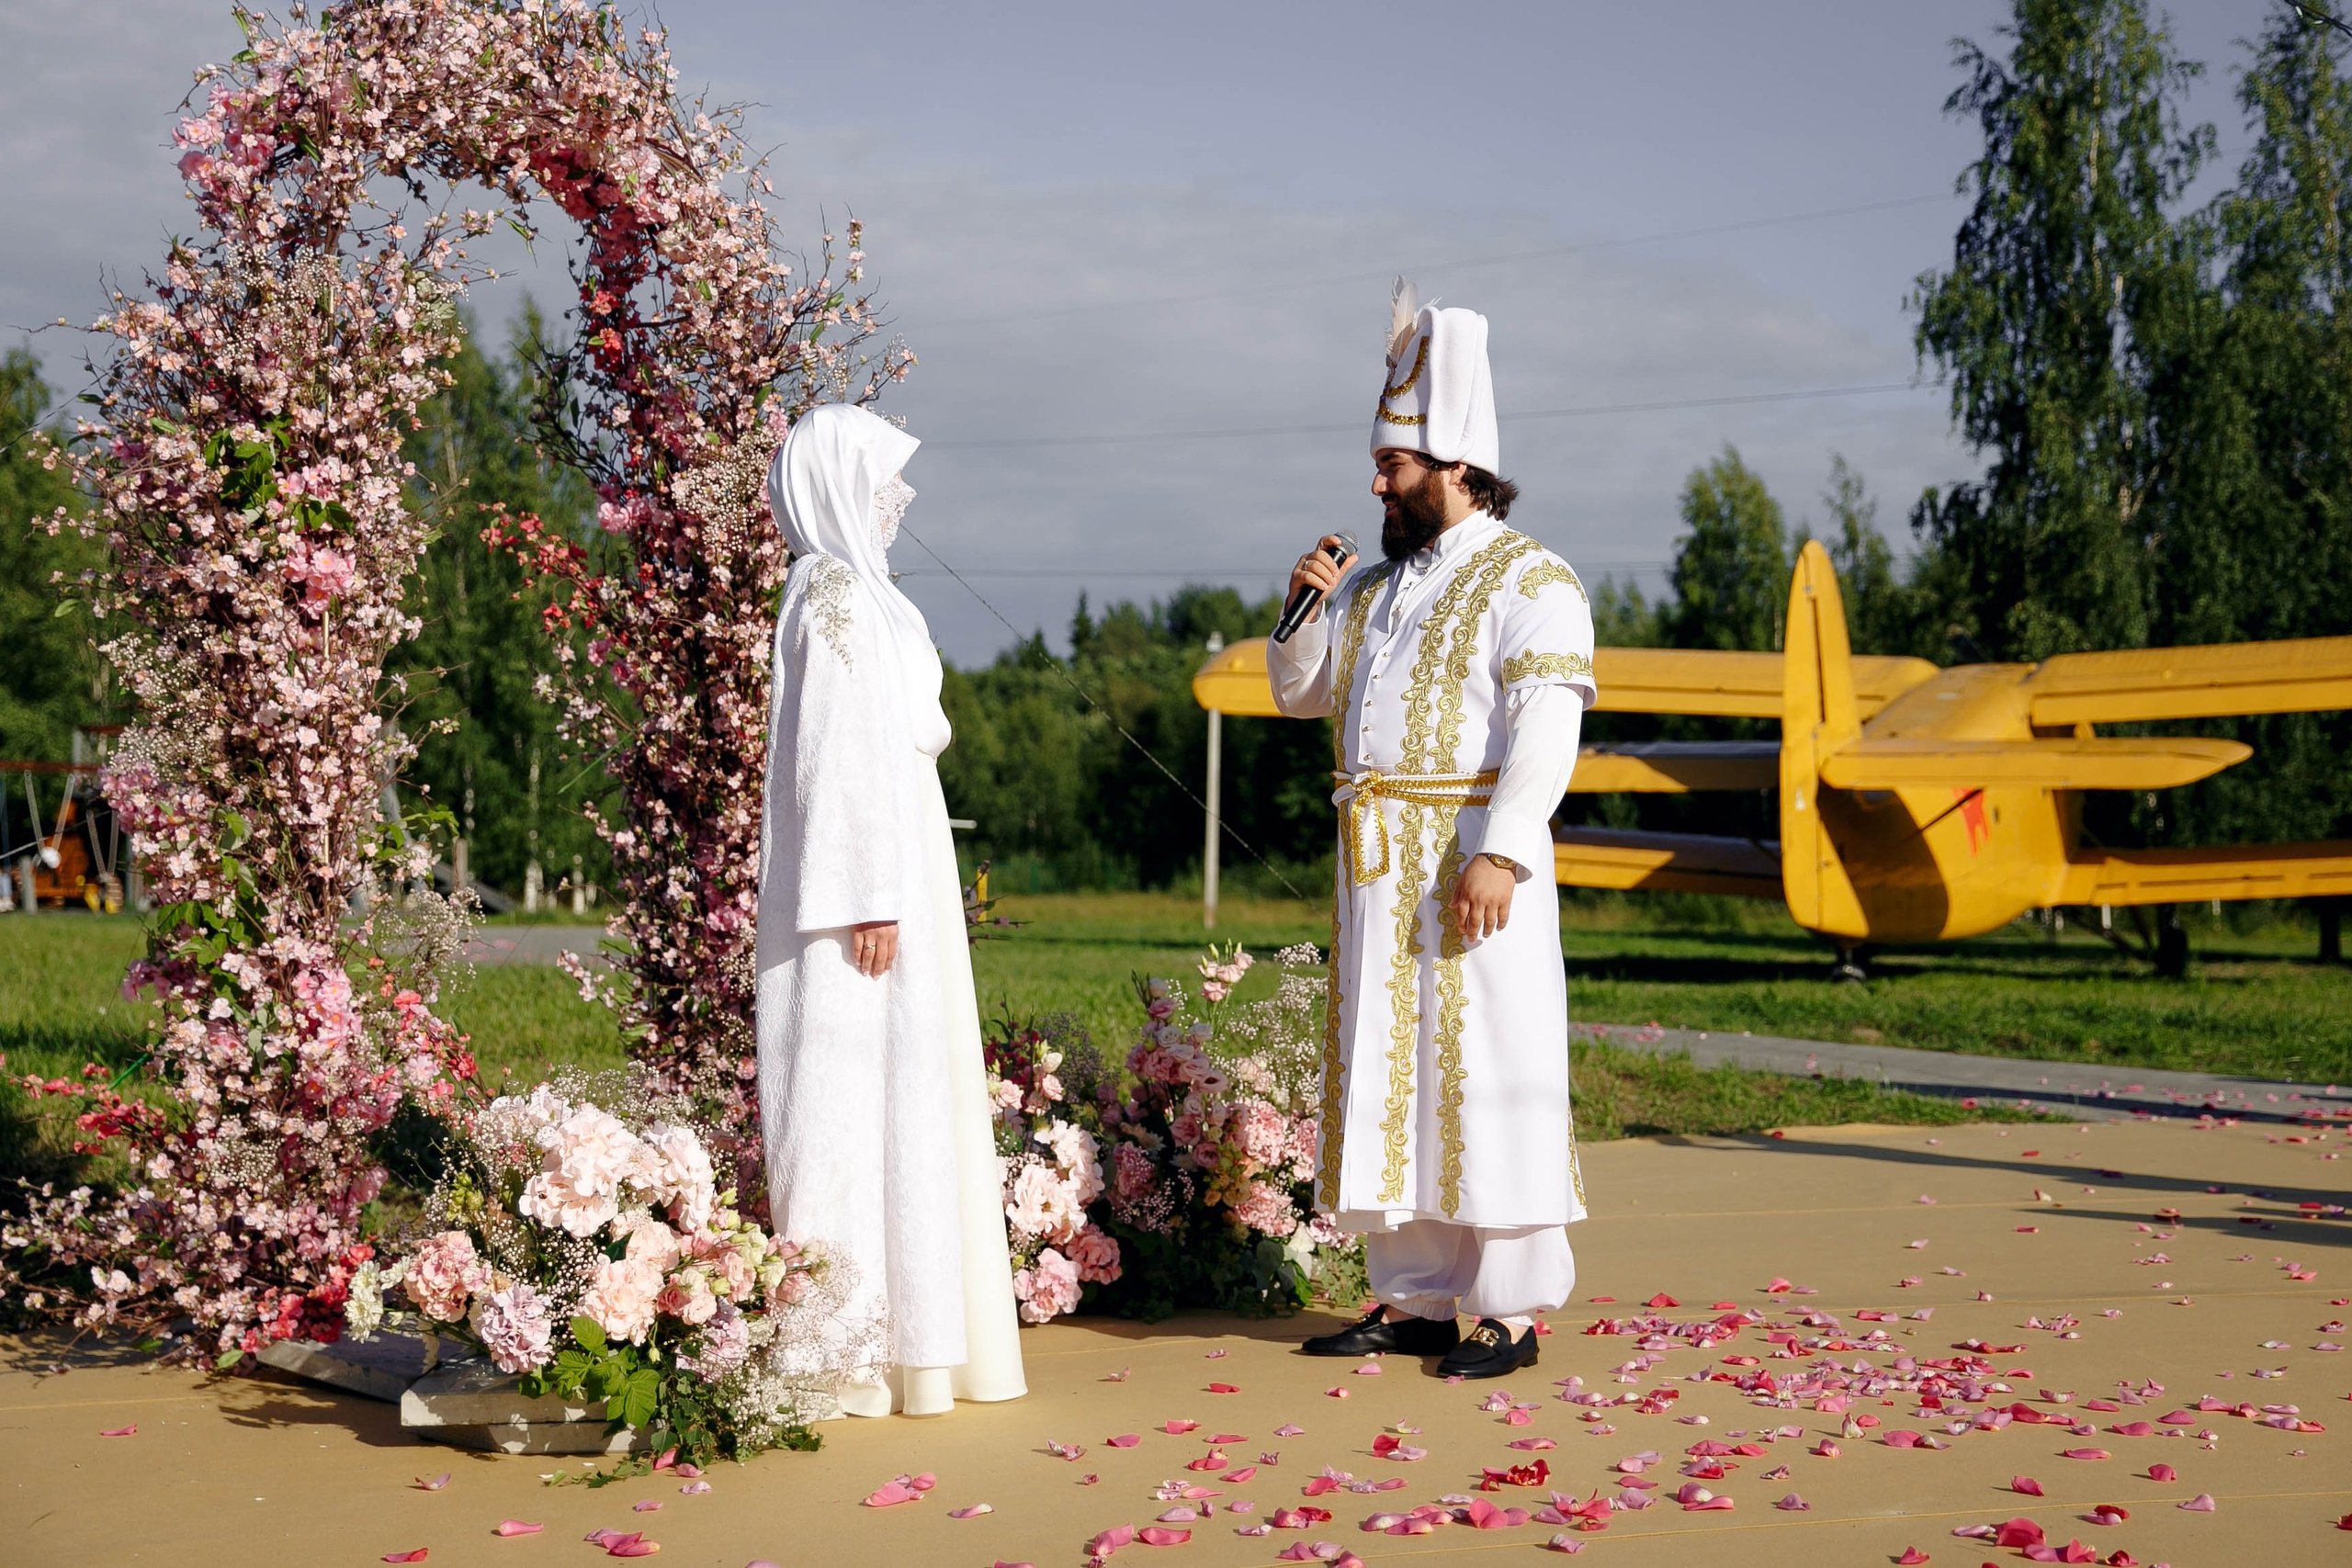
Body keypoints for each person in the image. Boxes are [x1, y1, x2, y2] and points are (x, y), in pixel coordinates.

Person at [1268, 283, 1595, 1379]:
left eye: (1394, 467)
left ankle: (1509, 1308)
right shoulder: (1373, 588)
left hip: (1469, 859)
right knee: (1390, 1074)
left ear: (1455, 463)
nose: (1376, 484)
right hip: (1375, 865)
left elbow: (1548, 723)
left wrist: (1500, 849)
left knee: (1488, 1067)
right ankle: (1413, 1299)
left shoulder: (1533, 578)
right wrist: (1303, 612)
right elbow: (1305, 698)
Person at [753, 402, 1026, 1416]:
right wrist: (864, 893)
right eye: (880, 484)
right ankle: (842, 1350)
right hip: (860, 899)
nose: (896, 504)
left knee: (902, 1100)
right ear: (836, 487)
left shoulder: (856, 594)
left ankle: (914, 1340)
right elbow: (837, 754)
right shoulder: (828, 591)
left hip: (896, 881)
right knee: (841, 1099)